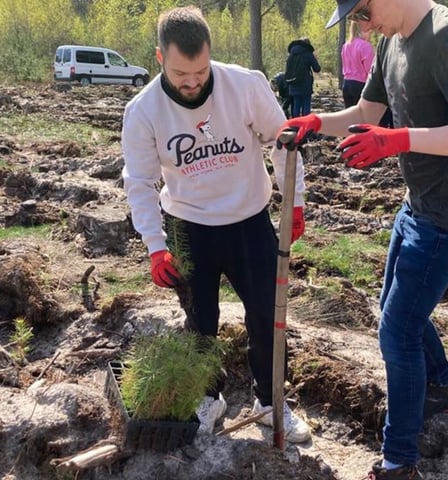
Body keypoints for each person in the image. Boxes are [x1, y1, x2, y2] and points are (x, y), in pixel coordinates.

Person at [278, 0, 448, 478]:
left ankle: (399, 462)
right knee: (399, 311)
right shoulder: (391, 40)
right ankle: (440, 392)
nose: (361, 24)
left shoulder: (447, 38)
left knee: (396, 330)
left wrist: (397, 140)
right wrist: (317, 122)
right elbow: (366, 110)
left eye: (362, 11)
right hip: (417, 203)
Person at [121, 6, 311, 443]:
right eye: (181, 73)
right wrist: (154, 245)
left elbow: (286, 140)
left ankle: (269, 402)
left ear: (211, 57)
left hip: (249, 221)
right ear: (159, 59)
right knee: (200, 321)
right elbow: (141, 182)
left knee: (267, 315)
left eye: (201, 71)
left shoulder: (245, 85)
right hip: (189, 227)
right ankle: (210, 399)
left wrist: (294, 200)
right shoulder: (144, 110)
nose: (192, 82)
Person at [284, 37, 321, 118]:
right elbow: (317, 69)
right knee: (306, 104)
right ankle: (305, 125)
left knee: (296, 104)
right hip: (305, 83)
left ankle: (295, 124)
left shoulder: (291, 54)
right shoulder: (308, 54)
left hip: (292, 83)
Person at [341, 21, 374, 108]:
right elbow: (370, 69)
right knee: (362, 115)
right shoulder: (365, 46)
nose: (370, 32)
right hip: (360, 84)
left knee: (350, 114)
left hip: (346, 82)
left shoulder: (346, 45)